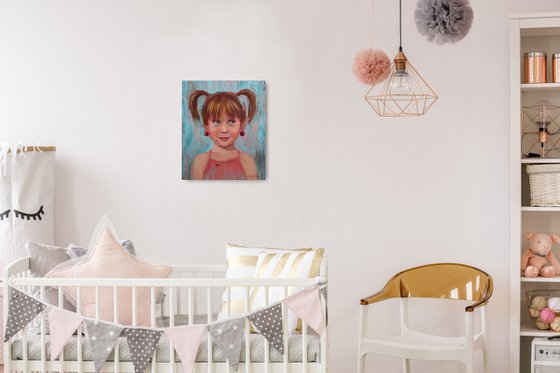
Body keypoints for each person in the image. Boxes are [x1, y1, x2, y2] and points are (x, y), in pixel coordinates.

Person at [188, 89, 258, 180]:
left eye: (231, 122)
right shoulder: (199, 161)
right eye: (216, 122)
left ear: (242, 126)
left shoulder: (247, 161)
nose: (224, 130)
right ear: (206, 127)